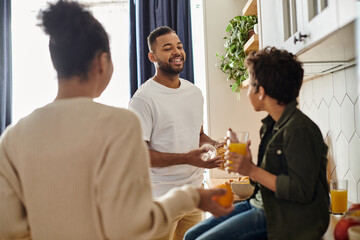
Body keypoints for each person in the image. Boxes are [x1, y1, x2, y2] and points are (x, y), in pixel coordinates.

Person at [0, 2, 233, 239]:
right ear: (102, 63)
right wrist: (191, 197)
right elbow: (131, 224)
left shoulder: (12, 138)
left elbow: (8, 229)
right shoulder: (121, 124)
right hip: (168, 195)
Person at [184, 47, 330, 240]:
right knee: (191, 235)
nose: (248, 91)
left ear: (260, 92)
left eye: (251, 84)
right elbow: (267, 179)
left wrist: (251, 169)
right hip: (263, 204)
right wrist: (248, 165)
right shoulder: (272, 125)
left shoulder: (299, 129)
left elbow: (301, 191)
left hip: (287, 218)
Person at [128, 26, 223, 240]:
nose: (177, 52)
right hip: (160, 200)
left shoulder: (194, 92)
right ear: (152, 56)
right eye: (168, 48)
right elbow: (139, 156)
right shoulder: (143, 99)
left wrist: (218, 145)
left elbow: (198, 135)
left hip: (193, 195)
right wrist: (188, 158)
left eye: (179, 46)